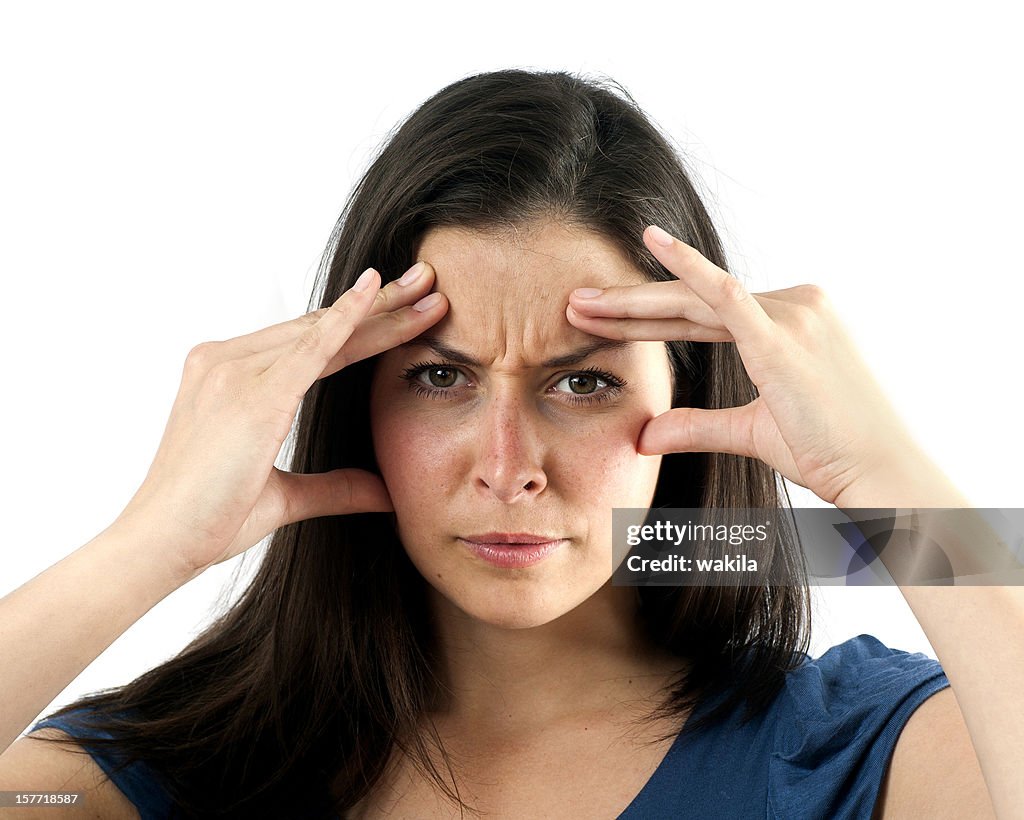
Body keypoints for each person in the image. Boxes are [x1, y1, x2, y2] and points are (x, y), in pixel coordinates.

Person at [0, 68, 1016, 819]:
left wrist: (890, 479)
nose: (506, 464)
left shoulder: (849, 753)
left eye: (583, 381)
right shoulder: (177, 774)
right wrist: (150, 545)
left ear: (692, 405)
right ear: (352, 399)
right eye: (441, 377)